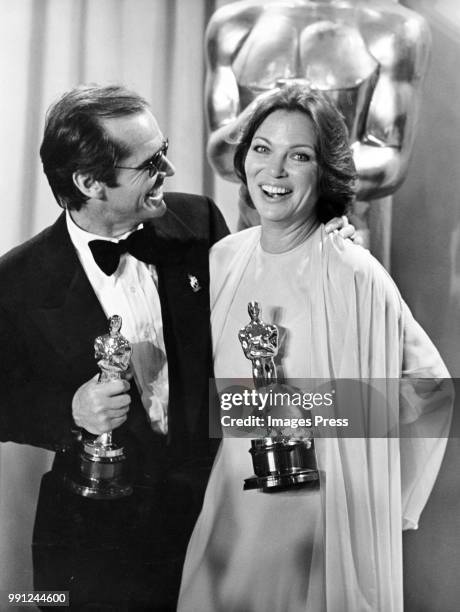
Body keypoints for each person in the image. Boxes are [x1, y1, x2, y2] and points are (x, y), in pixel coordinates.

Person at [0, 84, 351, 610]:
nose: (168, 170)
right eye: (150, 163)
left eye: (163, 151)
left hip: (208, 516)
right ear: (90, 182)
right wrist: (70, 411)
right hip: (92, 535)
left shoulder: (199, 221)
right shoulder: (18, 279)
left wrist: (321, 245)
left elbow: (261, 314)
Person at [178, 85, 452, 612]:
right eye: (262, 149)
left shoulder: (353, 271)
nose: (274, 172)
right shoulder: (221, 260)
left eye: (298, 156)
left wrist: (317, 419)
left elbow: (431, 389)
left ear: (323, 172)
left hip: (315, 529)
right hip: (225, 519)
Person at [204, 0, 431, 264]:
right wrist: (275, 104)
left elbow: (388, 161)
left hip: (342, 230)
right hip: (254, 228)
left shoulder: (395, 27)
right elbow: (221, 153)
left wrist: (300, 173)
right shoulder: (234, 22)